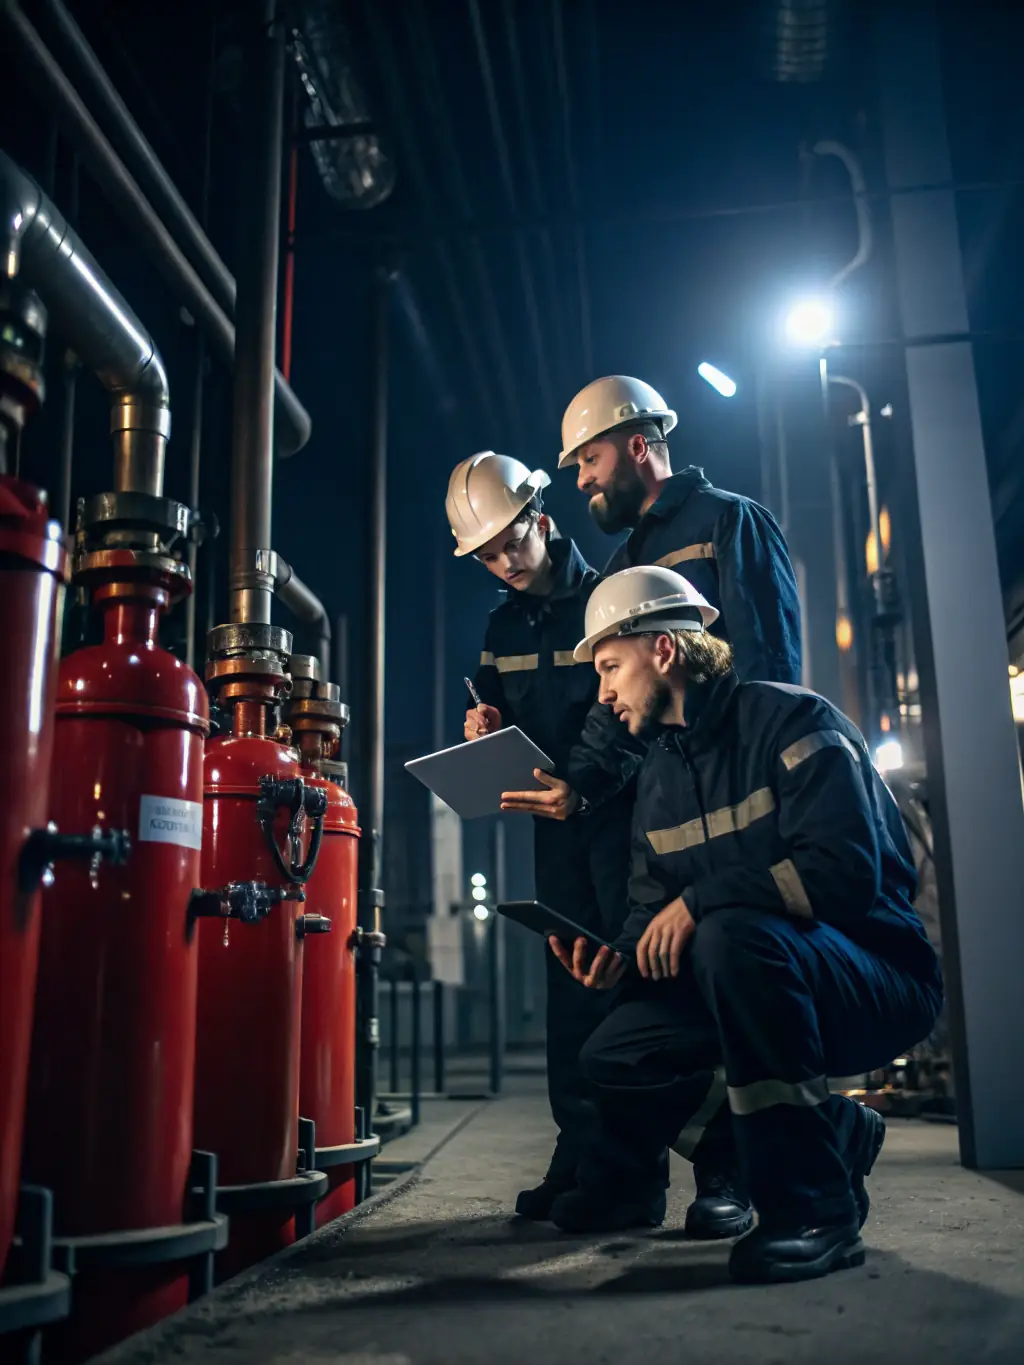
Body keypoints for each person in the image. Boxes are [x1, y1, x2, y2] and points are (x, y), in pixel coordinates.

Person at [546, 564, 943, 1284]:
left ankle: (816, 1213)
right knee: (616, 1051)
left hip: (877, 980)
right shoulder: (659, 779)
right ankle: (827, 1136)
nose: (601, 691)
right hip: (755, 979)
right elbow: (649, 905)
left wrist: (703, 901)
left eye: (609, 665)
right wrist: (622, 957)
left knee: (733, 934)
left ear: (662, 650)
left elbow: (844, 875)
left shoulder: (793, 722)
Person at [499, 375, 805, 1238]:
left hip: (732, 792)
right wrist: (585, 783)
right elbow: (617, 696)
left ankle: (733, 1174)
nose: (582, 480)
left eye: (589, 460)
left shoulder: (727, 524)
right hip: (660, 798)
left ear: (639, 443)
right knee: (651, 990)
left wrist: (759, 788)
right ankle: (625, 1176)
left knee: (723, 973)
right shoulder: (627, 554)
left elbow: (771, 670)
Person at [445, 452, 635, 1221]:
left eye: (510, 543)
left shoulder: (608, 599)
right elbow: (491, 704)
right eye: (486, 554)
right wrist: (481, 725)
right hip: (550, 831)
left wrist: (582, 786)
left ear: (543, 519)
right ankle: (580, 1148)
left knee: (626, 984)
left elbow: (621, 712)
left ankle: (635, 1163)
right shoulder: (500, 624)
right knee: (569, 991)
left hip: (616, 821)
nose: (502, 563)